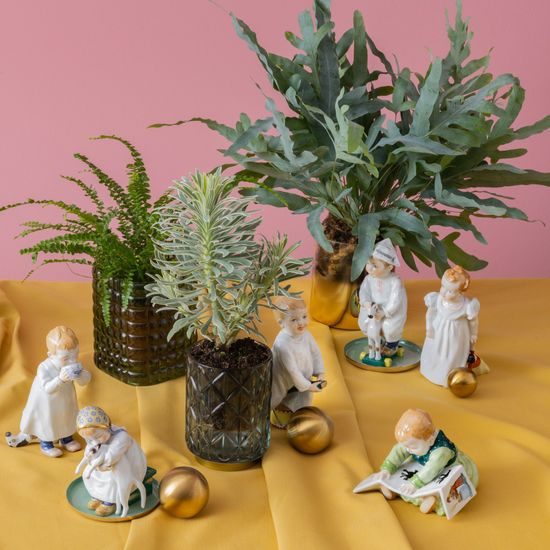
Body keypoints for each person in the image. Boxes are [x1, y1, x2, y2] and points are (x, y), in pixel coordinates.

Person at [368, 409, 478, 515]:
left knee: (446, 490)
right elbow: (399, 450)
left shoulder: (442, 451)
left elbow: (431, 469)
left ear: (430, 440)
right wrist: (387, 469)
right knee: (402, 470)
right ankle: (393, 489)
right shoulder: (415, 443)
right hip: (422, 464)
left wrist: (414, 483)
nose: (408, 449)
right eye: (407, 446)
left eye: (412, 447)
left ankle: (432, 501)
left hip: (444, 469)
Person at [19, 326, 91, 457]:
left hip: (66, 398)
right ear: (51, 355)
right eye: (66, 358)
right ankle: (46, 443)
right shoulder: (44, 367)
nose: (72, 360)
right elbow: (47, 388)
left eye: (75, 355)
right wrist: (60, 379)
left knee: (66, 415)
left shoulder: (72, 363)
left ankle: (66, 438)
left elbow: (84, 381)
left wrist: (80, 375)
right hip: (47, 402)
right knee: (49, 419)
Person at [75, 406, 147, 518]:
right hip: (100, 465)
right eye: (89, 439)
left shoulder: (121, 437)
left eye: (98, 437)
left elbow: (112, 457)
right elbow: (89, 451)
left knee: (111, 481)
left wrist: (100, 465)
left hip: (122, 466)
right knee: (86, 474)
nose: (94, 441)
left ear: (106, 428)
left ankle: (109, 502)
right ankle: (97, 496)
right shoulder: (94, 438)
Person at [270, 297, 326, 428]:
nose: (301, 323)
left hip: (303, 381)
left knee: (302, 400)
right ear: (281, 323)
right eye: (294, 319)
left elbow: (316, 353)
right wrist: (309, 386)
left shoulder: (306, 335)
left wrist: (320, 373)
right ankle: (282, 421)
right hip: (285, 383)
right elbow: (292, 371)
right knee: (282, 401)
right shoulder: (282, 344)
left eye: (304, 316)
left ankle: (299, 419)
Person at [420, 265, 480, 386]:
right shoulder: (437, 299)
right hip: (438, 331)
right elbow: (430, 313)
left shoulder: (467, 306)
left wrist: (473, 334)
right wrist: (429, 328)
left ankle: (449, 375)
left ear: (460, 292)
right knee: (435, 350)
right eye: (443, 286)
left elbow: (473, 321)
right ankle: (432, 370)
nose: (444, 292)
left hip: (456, 335)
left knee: (453, 354)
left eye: (450, 291)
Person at [358, 239, 407, 356]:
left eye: (374, 266)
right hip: (373, 308)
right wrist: (366, 302)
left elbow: (396, 300)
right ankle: (377, 341)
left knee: (389, 327)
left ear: (389, 267)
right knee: (365, 323)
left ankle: (392, 345)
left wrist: (385, 312)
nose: (369, 268)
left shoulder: (395, 281)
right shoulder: (369, 279)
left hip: (390, 311)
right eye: (368, 263)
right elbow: (364, 291)